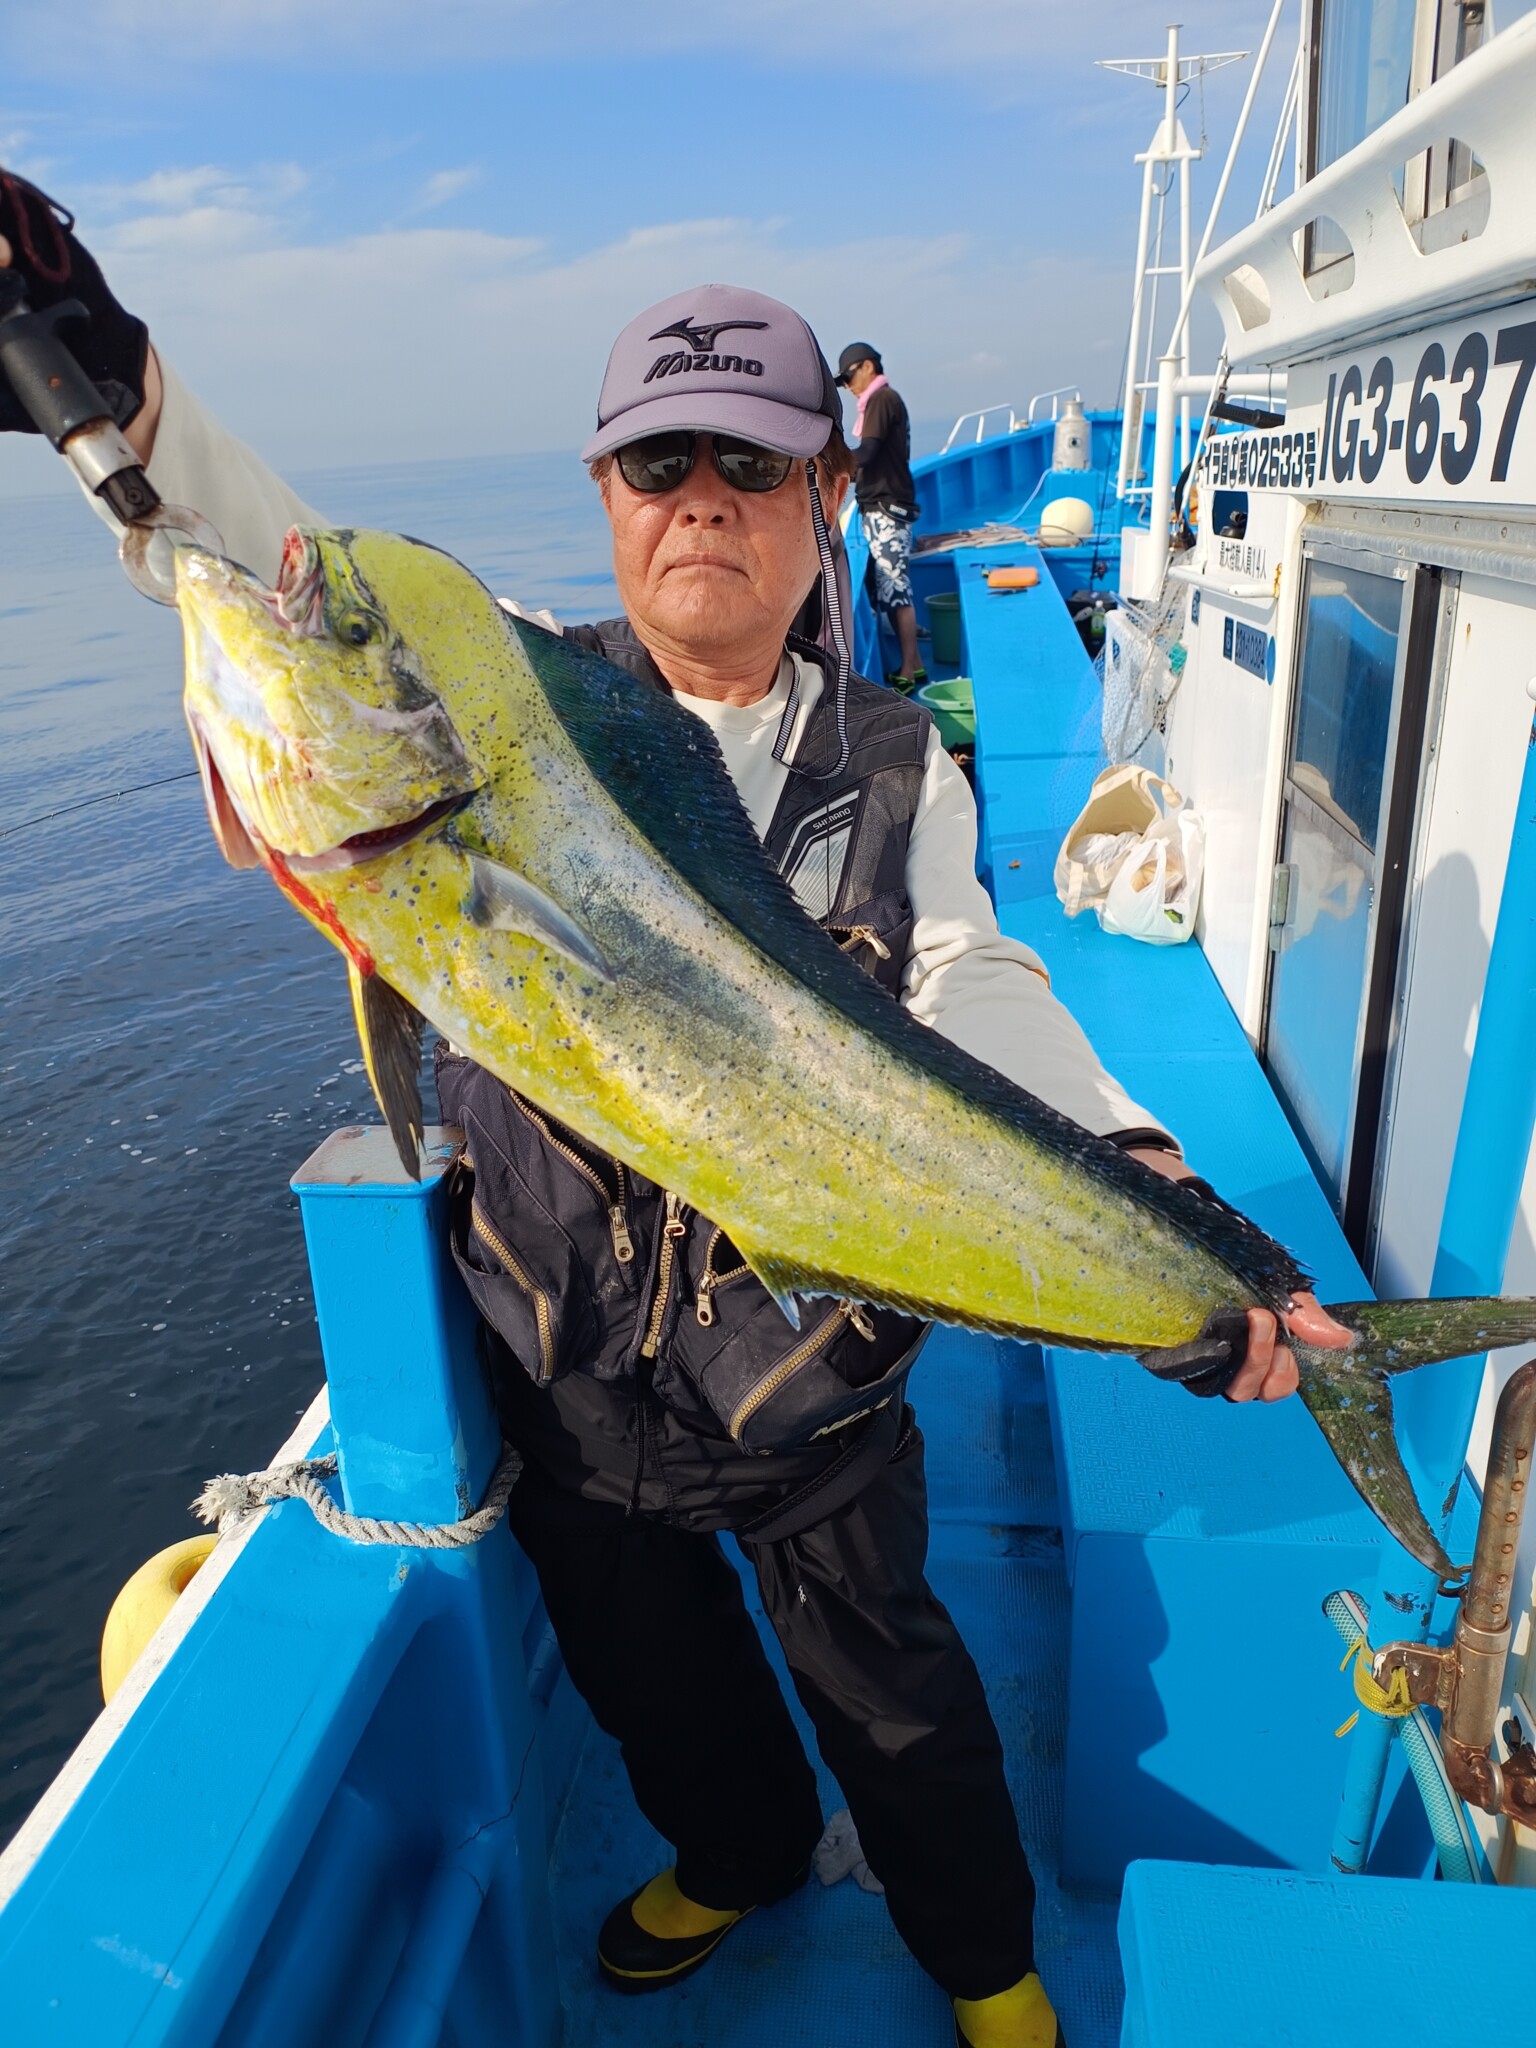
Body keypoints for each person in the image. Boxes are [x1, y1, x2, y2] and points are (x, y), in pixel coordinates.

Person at [0, 173, 1352, 2048]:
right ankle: (737, 1852)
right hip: (566, 1382)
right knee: (660, 1690)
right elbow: (286, 575)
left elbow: (969, 981)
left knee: (901, 1707)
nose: (702, 497)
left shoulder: (894, 758)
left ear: (826, 498)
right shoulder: (511, 704)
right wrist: (123, 398)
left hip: (817, 1388)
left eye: (752, 464)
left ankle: (984, 1960)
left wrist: (1148, 1184)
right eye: (659, 463)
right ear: (606, 498)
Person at [836, 341, 923, 691]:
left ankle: (908, 668)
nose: (847, 386)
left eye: (848, 377)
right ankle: (915, 662)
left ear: (868, 367)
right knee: (888, 584)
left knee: (895, 586)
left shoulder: (881, 400)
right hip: (881, 505)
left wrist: (831, 464)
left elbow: (868, 452)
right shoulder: (878, 402)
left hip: (888, 508)